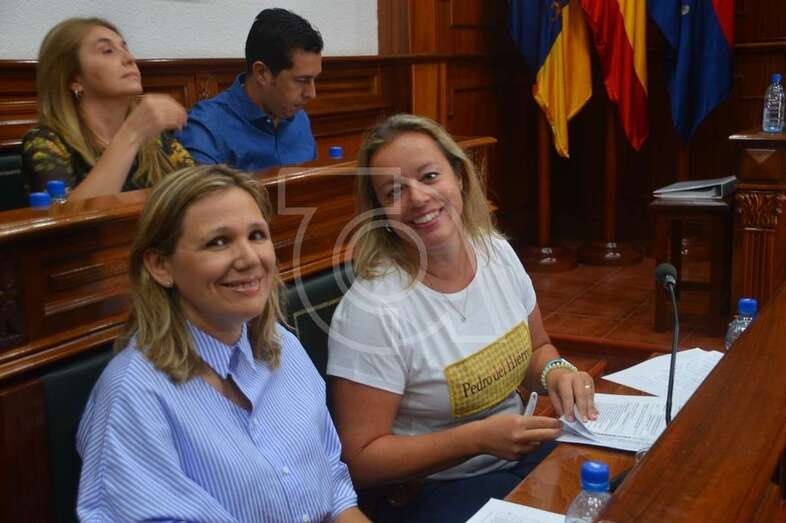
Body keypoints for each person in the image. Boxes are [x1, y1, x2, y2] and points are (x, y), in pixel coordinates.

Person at [327, 114, 598, 522]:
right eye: (395, 191)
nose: (418, 197)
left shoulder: (495, 251)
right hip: (432, 490)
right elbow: (362, 459)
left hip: (518, 458)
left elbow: (538, 348)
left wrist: (557, 373)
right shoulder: (371, 311)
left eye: (430, 175)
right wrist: (474, 440)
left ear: (459, 176)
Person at [77, 165, 368, 522]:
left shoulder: (284, 348)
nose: (249, 258)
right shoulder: (132, 395)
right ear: (160, 266)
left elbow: (335, 492)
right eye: (218, 241)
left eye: (257, 235)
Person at [22, 17, 193, 199]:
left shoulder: (155, 138)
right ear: (74, 79)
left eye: (125, 48)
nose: (129, 59)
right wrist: (132, 132)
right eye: (108, 51)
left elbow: (200, 191)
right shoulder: (45, 142)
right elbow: (69, 222)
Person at [177, 8, 322, 171]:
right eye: (302, 80)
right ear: (262, 73)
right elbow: (199, 195)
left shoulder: (299, 118)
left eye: (314, 79)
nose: (312, 94)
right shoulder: (204, 128)